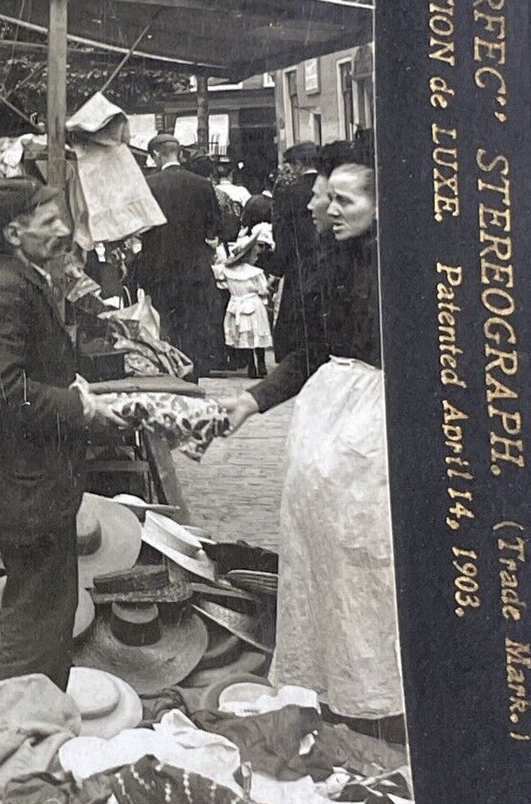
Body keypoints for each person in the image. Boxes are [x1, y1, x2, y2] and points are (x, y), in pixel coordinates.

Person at [219, 147, 403, 730]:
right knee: (318, 555)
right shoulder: (327, 262)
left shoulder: (398, 268)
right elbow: (307, 353)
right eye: (328, 199)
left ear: (380, 205)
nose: (329, 208)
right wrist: (250, 401)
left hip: (373, 425)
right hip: (324, 423)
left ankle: (380, 697)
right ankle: (328, 683)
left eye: (344, 200)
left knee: (369, 556)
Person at [0, 178, 127, 691]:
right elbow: (6, 390)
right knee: (39, 615)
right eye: (49, 221)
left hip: (27, 480)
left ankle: (33, 719)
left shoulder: (17, 279)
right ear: (13, 233)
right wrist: (79, 405)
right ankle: (22, 722)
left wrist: (67, 382)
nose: (63, 229)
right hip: (24, 482)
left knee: (46, 607)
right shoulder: (8, 289)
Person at [134, 134, 223, 377]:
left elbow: (140, 227)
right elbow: (214, 228)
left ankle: (169, 375)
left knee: (165, 325)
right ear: (177, 152)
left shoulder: (149, 185)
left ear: (156, 154)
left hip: (158, 267)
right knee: (193, 324)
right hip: (195, 269)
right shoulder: (202, 185)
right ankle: (191, 375)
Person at [220, 228, 273, 380]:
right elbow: (262, 290)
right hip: (253, 304)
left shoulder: (229, 272)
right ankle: (261, 363)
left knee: (246, 336)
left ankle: (251, 365)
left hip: (236, 303)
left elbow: (223, 284)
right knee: (257, 333)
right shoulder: (255, 272)